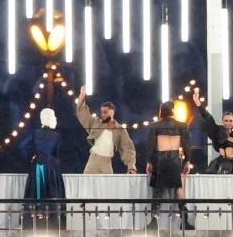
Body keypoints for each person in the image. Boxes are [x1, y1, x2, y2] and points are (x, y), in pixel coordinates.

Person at [144, 100, 190, 228]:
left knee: (157, 191)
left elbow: (150, 146)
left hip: (160, 159)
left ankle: (154, 220)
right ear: (173, 111)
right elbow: (187, 145)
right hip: (175, 159)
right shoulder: (182, 125)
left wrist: (148, 161)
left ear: (161, 111)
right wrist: (187, 161)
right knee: (179, 189)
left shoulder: (155, 126)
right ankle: (184, 219)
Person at [21, 108, 65, 229]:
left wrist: (31, 157)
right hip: (51, 167)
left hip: (37, 166)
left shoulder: (35, 133)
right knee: (52, 192)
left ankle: (35, 216)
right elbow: (58, 153)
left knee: (36, 192)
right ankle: (52, 219)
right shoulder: (56, 136)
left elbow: (23, 146)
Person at [74, 88, 136, 174]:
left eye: (105, 112)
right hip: (93, 161)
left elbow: (128, 149)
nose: (102, 115)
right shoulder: (96, 123)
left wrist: (131, 167)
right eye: (101, 112)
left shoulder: (120, 130)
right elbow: (82, 113)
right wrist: (82, 95)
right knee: (88, 185)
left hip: (107, 163)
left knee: (107, 186)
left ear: (112, 112)